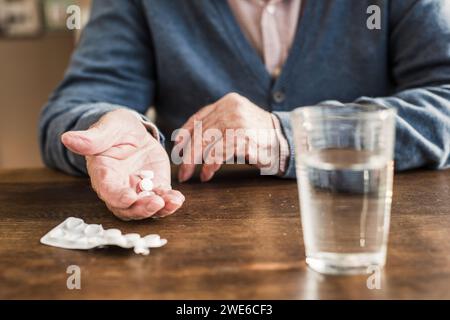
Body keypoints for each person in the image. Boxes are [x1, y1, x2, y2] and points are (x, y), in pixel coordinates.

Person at [39, 0, 450, 220]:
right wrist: (106, 132)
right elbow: (73, 106)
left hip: (372, 239)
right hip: (191, 254)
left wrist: (289, 137)